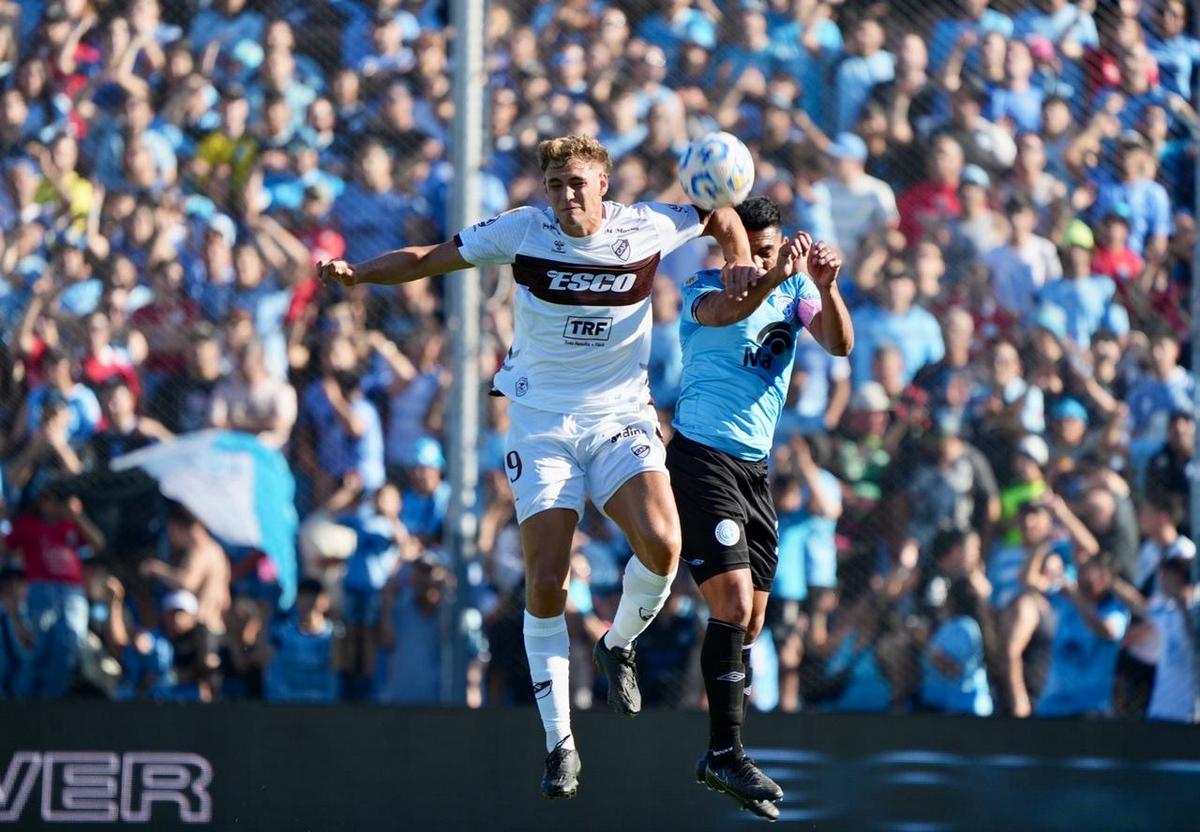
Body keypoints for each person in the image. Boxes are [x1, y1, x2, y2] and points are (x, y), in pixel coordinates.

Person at [317, 134, 759, 799]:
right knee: (547, 579)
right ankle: (560, 743)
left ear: (604, 184)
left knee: (665, 546)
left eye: (577, 182)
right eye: (555, 184)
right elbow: (430, 258)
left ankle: (619, 645)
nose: (565, 194)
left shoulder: (649, 226)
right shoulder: (524, 231)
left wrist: (741, 261)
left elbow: (721, 212)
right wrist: (358, 274)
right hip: (542, 421)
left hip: (619, 417)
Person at [667, 197, 851, 818]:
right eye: (750, 250)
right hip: (700, 458)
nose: (759, 261)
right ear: (730, 248)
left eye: (769, 251)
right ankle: (724, 753)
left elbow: (839, 344)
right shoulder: (701, 288)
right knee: (733, 605)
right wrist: (777, 274)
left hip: (755, 470)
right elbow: (730, 309)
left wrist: (826, 287)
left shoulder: (794, 291)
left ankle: (723, 751)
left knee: (750, 626)